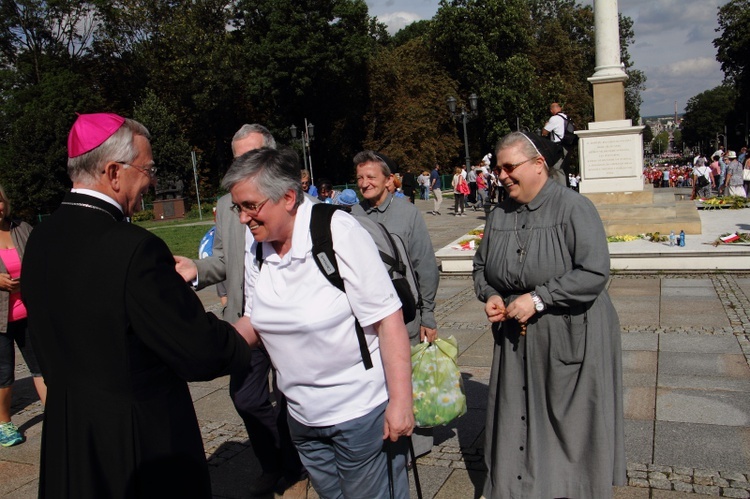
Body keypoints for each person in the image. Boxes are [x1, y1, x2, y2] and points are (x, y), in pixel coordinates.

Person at [21, 113, 255, 498]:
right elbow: (197, 350)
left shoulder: (42, 238)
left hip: (71, 436)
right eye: (147, 169)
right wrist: (241, 333)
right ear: (114, 172)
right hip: (136, 443)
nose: (153, 180)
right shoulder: (134, 248)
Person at [225, 147, 414, 498]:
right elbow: (254, 320)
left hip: (359, 412)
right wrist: (208, 343)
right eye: (239, 207)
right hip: (302, 419)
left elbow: (388, 318)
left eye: (251, 206)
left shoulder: (336, 231)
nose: (243, 218)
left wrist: (401, 402)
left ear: (288, 197)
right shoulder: (258, 246)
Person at [473, 131, 625, 498]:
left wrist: (539, 299)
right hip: (516, 337)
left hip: (571, 332)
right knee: (516, 414)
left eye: (510, 167)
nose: (503, 175)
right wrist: (491, 293)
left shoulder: (574, 207)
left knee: (570, 422)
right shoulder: (498, 215)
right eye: (499, 169)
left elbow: (594, 271)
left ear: (538, 164)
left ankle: (569, 489)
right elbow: (481, 267)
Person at [173, 124, 307, 497]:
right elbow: (222, 260)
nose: (242, 168)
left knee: (291, 397)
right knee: (246, 399)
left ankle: (294, 463)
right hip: (245, 323)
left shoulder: (290, 204)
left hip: (287, 322)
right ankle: (274, 462)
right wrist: (195, 269)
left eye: (250, 158)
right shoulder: (226, 206)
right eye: (237, 160)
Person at [352, 150, 440, 458]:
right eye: (360, 177)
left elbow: (425, 266)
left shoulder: (408, 213)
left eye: (371, 177)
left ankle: (417, 444)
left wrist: (428, 314)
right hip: (369, 315)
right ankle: (386, 437)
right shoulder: (351, 216)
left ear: (389, 180)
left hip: (405, 311)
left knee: (410, 374)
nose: (365, 183)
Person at [0, 183, 47, 447]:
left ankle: (56, 415)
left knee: (42, 367)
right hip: (0, 319)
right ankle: (4, 423)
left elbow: (41, 258)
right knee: (4, 374)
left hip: (29, 313)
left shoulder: (21, 228)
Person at [541, 101, 570, 185]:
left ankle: (561, 190)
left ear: (551, 110)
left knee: (556, 168)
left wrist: (546, 125)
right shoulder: (567, 118)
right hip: (568, 145)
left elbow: (544, 133)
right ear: (560, 108)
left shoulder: (554, 119)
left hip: (558, 146)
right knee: (564, 168)